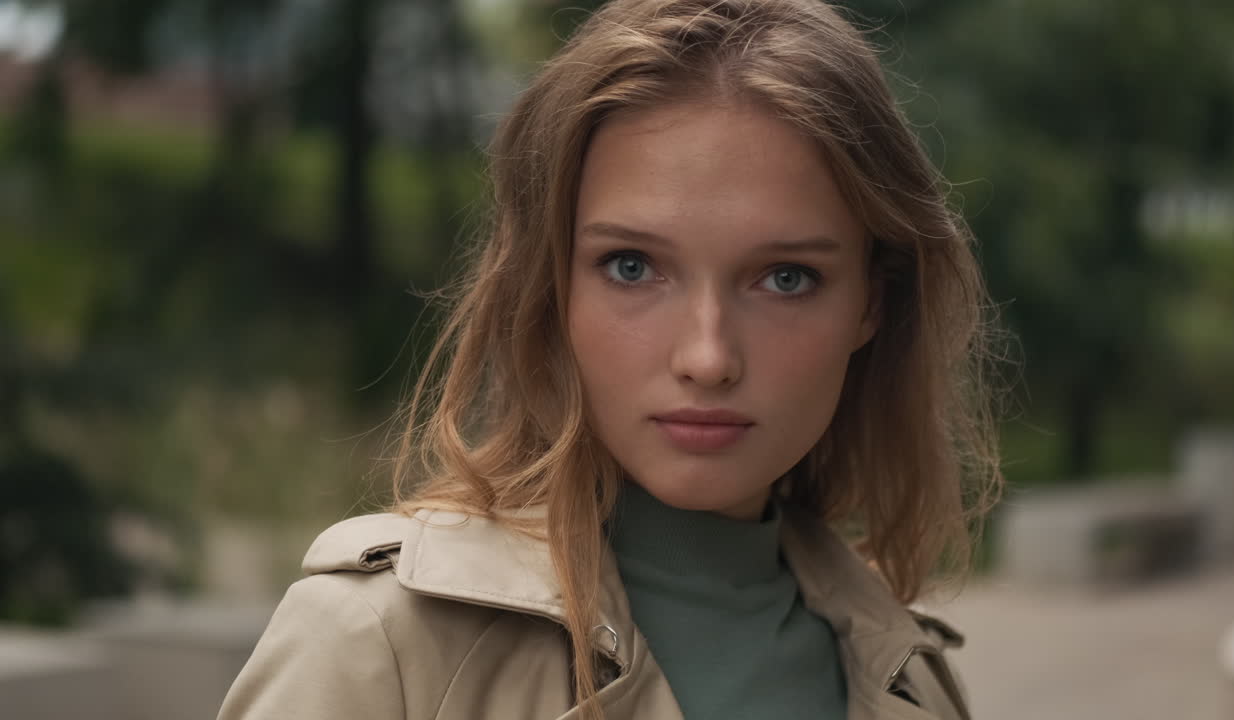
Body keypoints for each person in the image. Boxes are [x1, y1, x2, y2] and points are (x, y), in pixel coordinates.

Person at [217, 0, 1002, 718]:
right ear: (550, 286)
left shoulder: (911, 679)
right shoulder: (380, 641)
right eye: (632, 267)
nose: (707, 358)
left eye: (786, 278)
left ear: (871, 304)